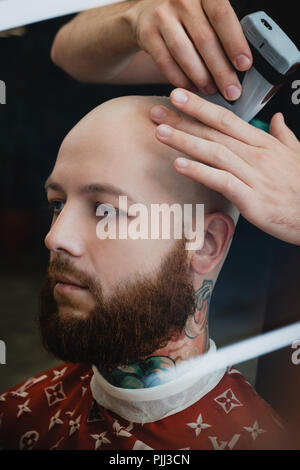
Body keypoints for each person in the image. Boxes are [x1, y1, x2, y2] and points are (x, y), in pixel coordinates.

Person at [0, 95, 291, 450]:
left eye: (105, 211)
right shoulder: (17, 415)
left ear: (205, 244)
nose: (55, 236)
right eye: (57, 204)